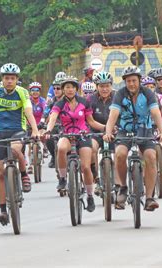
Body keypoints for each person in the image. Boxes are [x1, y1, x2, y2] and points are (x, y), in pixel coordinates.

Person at [103, 66, 162, 211]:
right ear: (125, 82)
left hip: (145, 130)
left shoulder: (148, 93)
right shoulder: (120, 94)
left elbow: (156, 113)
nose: (131, 84)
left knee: (151, 156)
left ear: (139, 80)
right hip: (125, 130)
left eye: (134, 80)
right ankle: (123, 188)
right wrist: (108, 132)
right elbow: (113, 115)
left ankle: (150, 197)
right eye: (128, 81)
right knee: (119, 154)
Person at [0, 63, 39, 226]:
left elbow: (29, 112)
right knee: (0, 171)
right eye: (6, 78)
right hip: (0, 131)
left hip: (18, 129)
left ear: (17, 79)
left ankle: (23, 175)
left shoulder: (22, 93)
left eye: (12, 78)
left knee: (16, 150)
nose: (9, 81)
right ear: (2, 79)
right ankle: (3, 210)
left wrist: (35, 130)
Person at [44, 76, 105, 212]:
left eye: (72, 87)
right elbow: (53, 118)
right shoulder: (59, 104)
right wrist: (48, 130)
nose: (69, 90)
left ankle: (90, 196)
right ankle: (62, 178)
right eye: (66, 87)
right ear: (63, 90)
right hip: (67, 134)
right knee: (60, 148)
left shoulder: (84, 102)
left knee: (85, 167)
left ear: (76, 89)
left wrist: (106, 127)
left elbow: (91, 121)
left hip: (83, 135)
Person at [87, 71, 115, 188]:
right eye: (101, 86)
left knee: (120, 153)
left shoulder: (117, 97)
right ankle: (96, 177)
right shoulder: (90, 99)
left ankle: (120, 182)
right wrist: (105, 128)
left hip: (115, 131)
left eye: (107, 86)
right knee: (92, 148)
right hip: (96, 131)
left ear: (111, 86)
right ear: (96, 86)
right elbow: (90, 120)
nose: (104, 89)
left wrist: (113, 128)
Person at [42, 78, 64, 168]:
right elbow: (46, 112)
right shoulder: (51, 101)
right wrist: (42, 122)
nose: (55, 90)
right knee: (48, 138)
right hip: (55, 125)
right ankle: (54, 156)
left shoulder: (68, 100)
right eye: (54, 88)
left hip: (67, 126)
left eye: (58, 88)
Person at [27, 81, 46, 174]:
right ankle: (30, 165)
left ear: (40, 91)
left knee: (42, 136)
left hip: (40, 123)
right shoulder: (28, 101)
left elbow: (45, 112)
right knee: (29, 143)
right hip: (29, 123)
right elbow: (25, 112)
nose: (35, 92)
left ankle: (43, 148)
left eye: (37, 90)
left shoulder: (42, 101)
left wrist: (43, 121)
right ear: (30, 91)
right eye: (33, 90)